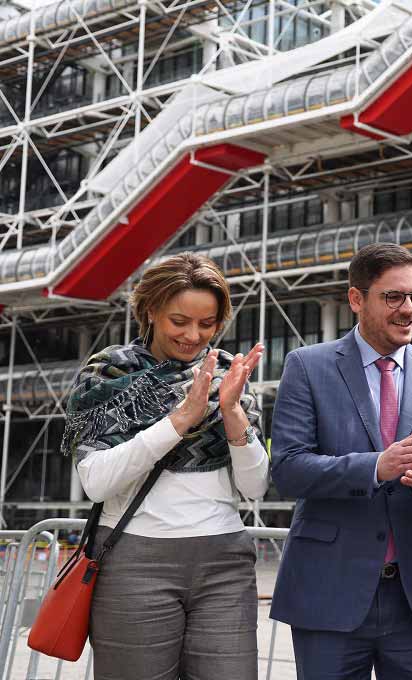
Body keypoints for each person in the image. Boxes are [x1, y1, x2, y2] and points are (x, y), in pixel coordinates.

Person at [269, 243, 412, 680]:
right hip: (329, 592)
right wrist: (376, 467)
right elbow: (287, 469)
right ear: (356, 299)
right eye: (394, 297)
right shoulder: (307, 367)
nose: (409, 309)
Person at [65, 253, 268, 680]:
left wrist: (232, 412)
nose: (193, 335)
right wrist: (180, 420)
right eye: (179, 321)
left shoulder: (229, 375)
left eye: (207, 324)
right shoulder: (108, 373)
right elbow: (95, 482)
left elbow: (254, 487)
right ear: (150, 310)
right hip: (134, 562)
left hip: (224, 560)